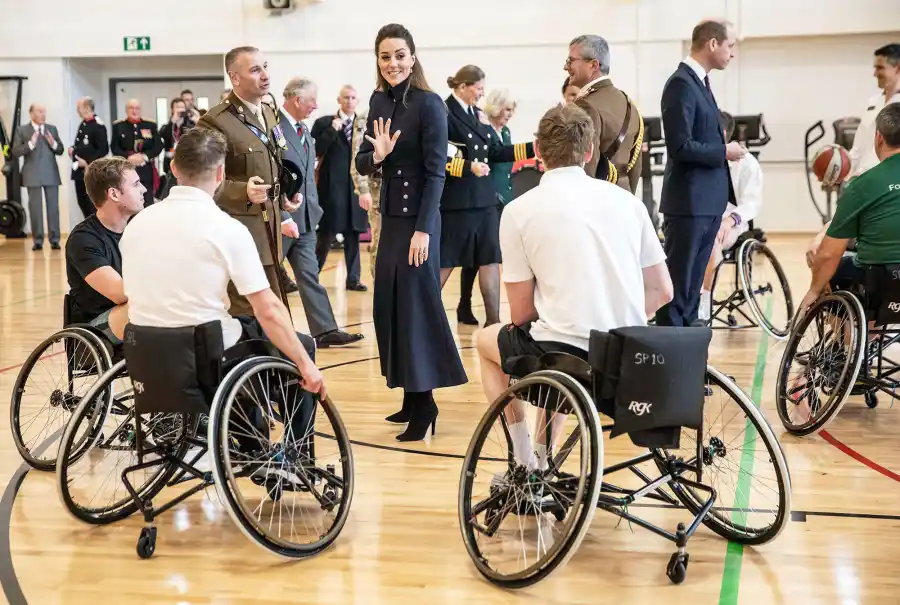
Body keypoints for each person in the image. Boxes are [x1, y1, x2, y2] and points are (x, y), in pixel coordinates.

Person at [119, 127, 325, 479]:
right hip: (203, 357)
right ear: (220, 174)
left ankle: (244, 439)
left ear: (173, 166)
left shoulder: (137, 224)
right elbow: (270, 309)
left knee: (239, 335)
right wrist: (306, 365)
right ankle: (293, 458)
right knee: (296, 346)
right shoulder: (225, 227)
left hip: (143, 354)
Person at [476, 103, 672, 470]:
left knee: (489, 341)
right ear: (589, 152)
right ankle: (540, 454)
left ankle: (523, 458)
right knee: (558, 340)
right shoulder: (628, 203)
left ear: (537, 150)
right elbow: (663, 292)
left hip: (565, 357)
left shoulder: (518, 211)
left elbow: (520, 314)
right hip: (627, 354)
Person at [355, 23, 468, 442]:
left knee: (417, 309)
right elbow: (365, 161)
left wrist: (424, 232)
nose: (393, 63)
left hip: (420, 223)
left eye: (400, 55)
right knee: (390, 307)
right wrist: (378, 156)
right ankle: (409, 395)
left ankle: (426, 404)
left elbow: (437, 173)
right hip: (392, 221)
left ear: (413, 57)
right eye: (385, 56)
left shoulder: (429, 103)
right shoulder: (377, 100)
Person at [654, 19, 747, 328]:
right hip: (689, 204)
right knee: (679, 291)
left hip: (706, 203)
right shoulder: (681, 83)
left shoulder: (700, 82)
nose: (732, 53)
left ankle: (687, 362)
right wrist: (724, 151)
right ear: (712, 44)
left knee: (693, 293)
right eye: (730, 46)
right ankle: (670, 362)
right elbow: (680, 147)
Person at [196, 46, 301, 316]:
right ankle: (254, 357)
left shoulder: (267, 112)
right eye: (255, 70)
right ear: (235, 77)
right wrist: (243, 191)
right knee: (250, 311)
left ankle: (273, 357)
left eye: (265, 66)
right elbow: (200, 181)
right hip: (241, 230)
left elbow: (273, 162)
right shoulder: (215, 122)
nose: (265, 75)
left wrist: (285, 194)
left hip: (271, 226)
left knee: (273, 307)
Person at [440, 65, 535, 328]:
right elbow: (440, 153)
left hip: (483, 200)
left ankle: (493, 320)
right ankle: (424, 315)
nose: (482, 94)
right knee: (446, 261)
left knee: (489, 258)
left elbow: (495, 151)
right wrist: (468, 166)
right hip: (457, 200)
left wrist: (532, 148)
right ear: (462, 86)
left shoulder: (477, 114)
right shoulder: (445, 113)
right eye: (478, 89)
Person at [277, 77, 364, 348]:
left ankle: (325, 330)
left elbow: (308, 171)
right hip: (281, 220)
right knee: (265, 280)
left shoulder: (302, 129)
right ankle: (265, 334)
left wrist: (313, 211)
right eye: (311, 100)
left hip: (305, 218)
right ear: (296, 100)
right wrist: (283, 216)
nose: (316, 105)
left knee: (309, 276)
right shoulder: (274, 130)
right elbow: (270, 174)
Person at [801, 103, 900, 314]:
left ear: (879, 137)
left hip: (882, 277)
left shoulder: (862, 184)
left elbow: (829, 254)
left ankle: (846, 342)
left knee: (831, 267)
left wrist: (812, 291)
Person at [65, 157, 145, 344]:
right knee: (144, 307)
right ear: (114, 194)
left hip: (131, 317)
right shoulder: (83, 239)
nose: (144, 189)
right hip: (94, 332)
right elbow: (121, 293)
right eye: (136, 185)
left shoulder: (140, 228)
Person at [698, 111, 763, 321]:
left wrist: (729, 220)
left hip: (732, 222)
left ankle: (704, 301)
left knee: (711, 241)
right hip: (702, 217)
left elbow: (751, 203)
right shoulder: (701, 158)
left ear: (722, 133)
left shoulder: (747, 163)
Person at [566, 34, 644, 194]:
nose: (565, 67)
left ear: (593, 65)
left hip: (596, 201)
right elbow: (635, 167)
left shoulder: (585, 105)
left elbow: (586, 166)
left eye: (571, 61)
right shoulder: (628, 103)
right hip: (624, 197)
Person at [312, 85, 368, 292]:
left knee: (354, 235)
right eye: (346, 97)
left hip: (354, 189)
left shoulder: (363, 125)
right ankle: (312, 274)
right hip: (331, 189)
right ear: (339, 99)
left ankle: (353, 279)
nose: (349, 101)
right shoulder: (324, 123)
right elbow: (314, 149)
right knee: (326, 234)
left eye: (353, 97)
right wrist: (331, 131)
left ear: (358, 101)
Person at [11, 103, 65, 250]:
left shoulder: (52, 129)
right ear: (32, 113)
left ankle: (55, 239)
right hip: (32, 174)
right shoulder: (22, 130)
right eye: (40, 111)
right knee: (35, 208)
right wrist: (30, 144)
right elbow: (15, 151)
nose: (43, 114)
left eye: (44, 111)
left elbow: (60, 150)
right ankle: (38, 240)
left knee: (53, 208)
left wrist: (53, 143)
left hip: (51, 173)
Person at [848, 44, 900, 179]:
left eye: (880, 68)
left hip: (888, 183)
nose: (875, 73)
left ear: (897, 68)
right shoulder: (872, 102)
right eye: (875, 68)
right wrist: (840, 171)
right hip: (861, 179)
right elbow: (858, 149)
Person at [350, 105, 384, 279]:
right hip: (378, 191)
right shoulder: (368, 116)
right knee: (380, 244)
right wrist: (363, 190)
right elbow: (357, 156)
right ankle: (381, 290)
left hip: (403, 192)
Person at [110, 99, 163, 208]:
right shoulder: (119, 126)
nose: (134, 111)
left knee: (147, 202)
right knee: (129, 201)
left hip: (146, 169)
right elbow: (114, 147)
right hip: (127, 169)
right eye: (131, 108)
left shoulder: (150, 125)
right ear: (126, 110)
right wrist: (128, 158)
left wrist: (144, 156)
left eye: (137, 108)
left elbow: (158, 146)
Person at [69, 97, 109, 220]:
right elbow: (83, 146)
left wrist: (87, 163)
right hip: (79, 173)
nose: (77, 110)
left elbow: (103, 150)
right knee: (82, 203)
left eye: (79, 108)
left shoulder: (97, 125)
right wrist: (73, 150)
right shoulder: (84, 123)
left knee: (91, 205)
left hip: (90, 171)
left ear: (86, 107)